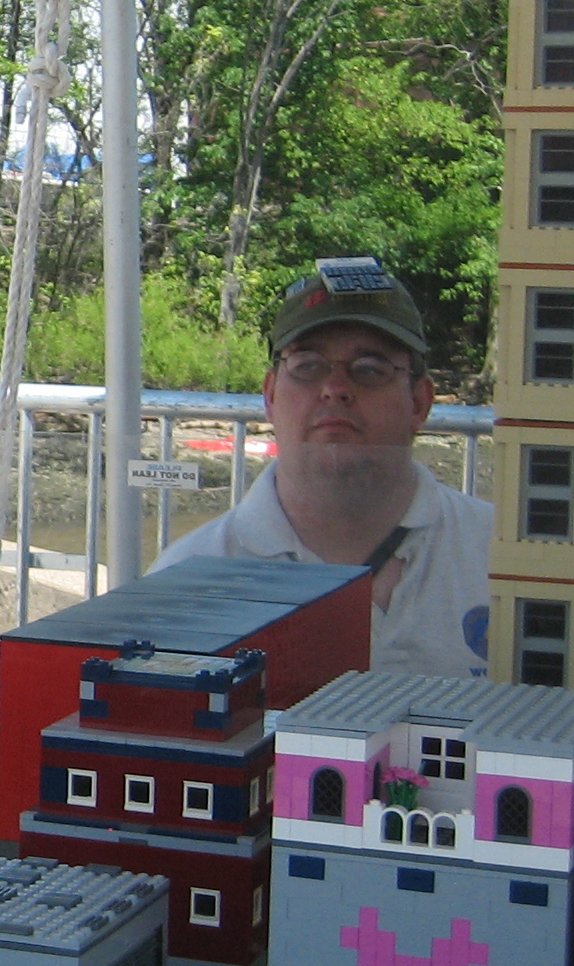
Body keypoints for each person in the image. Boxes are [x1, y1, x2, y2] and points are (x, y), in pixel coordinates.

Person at [151, 258, 490, 678]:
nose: (335, 389)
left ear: (419, 402)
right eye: (308, 366)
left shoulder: (511, 561)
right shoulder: (182, 584)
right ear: (271, 396)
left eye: (370, 369)